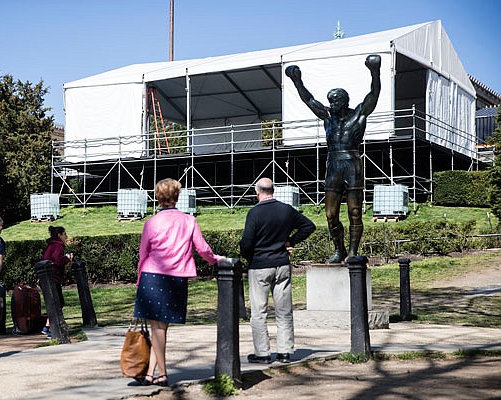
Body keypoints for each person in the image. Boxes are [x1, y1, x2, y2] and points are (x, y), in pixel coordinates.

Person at [285, 55, 381, 263]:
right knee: (330, 214)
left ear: (344, 101)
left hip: (352, 163)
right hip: (333, 165)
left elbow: (374, 93)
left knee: (355, 211)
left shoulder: (359, 115)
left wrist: (375, 70)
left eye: (335, 100)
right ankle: (339, 250)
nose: (332, 103)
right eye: (330, 100)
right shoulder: (328, 117)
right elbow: (309, 100)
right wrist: (297, 81)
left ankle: (353, 252)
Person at [132, 178, 223, 387]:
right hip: (176, 277)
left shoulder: (151, 222)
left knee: (159, 327)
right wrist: (216, 259)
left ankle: (158, 373)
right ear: (177, 196)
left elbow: (143, 254)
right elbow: (203, 249)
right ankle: (152, 373)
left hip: (152, 276)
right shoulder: (189, 221)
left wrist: (139, 279)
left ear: (157, 197)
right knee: (161, 327)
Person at [240, 177, 316, 364]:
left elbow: (247, 243)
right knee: (284, 311)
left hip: (260, 265)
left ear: (257, 192)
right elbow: (309, 226)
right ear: (272, 191)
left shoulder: (254, 213)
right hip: (281, 264)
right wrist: (291, 240)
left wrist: (249, 257)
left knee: (259, 312)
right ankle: (284, 352)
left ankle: (263, 353)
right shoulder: (286, 209)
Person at [40, 225, 73, 338]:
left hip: (47, 278)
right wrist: (67, 258)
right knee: (57, 303)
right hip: (53, 278)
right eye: (64, 234)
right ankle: (52, 328)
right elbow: (58, 261)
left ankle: (48, 326)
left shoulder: (51, 245)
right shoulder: (58, 246)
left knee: (54, 302)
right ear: (59, 235)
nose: (66, 236)